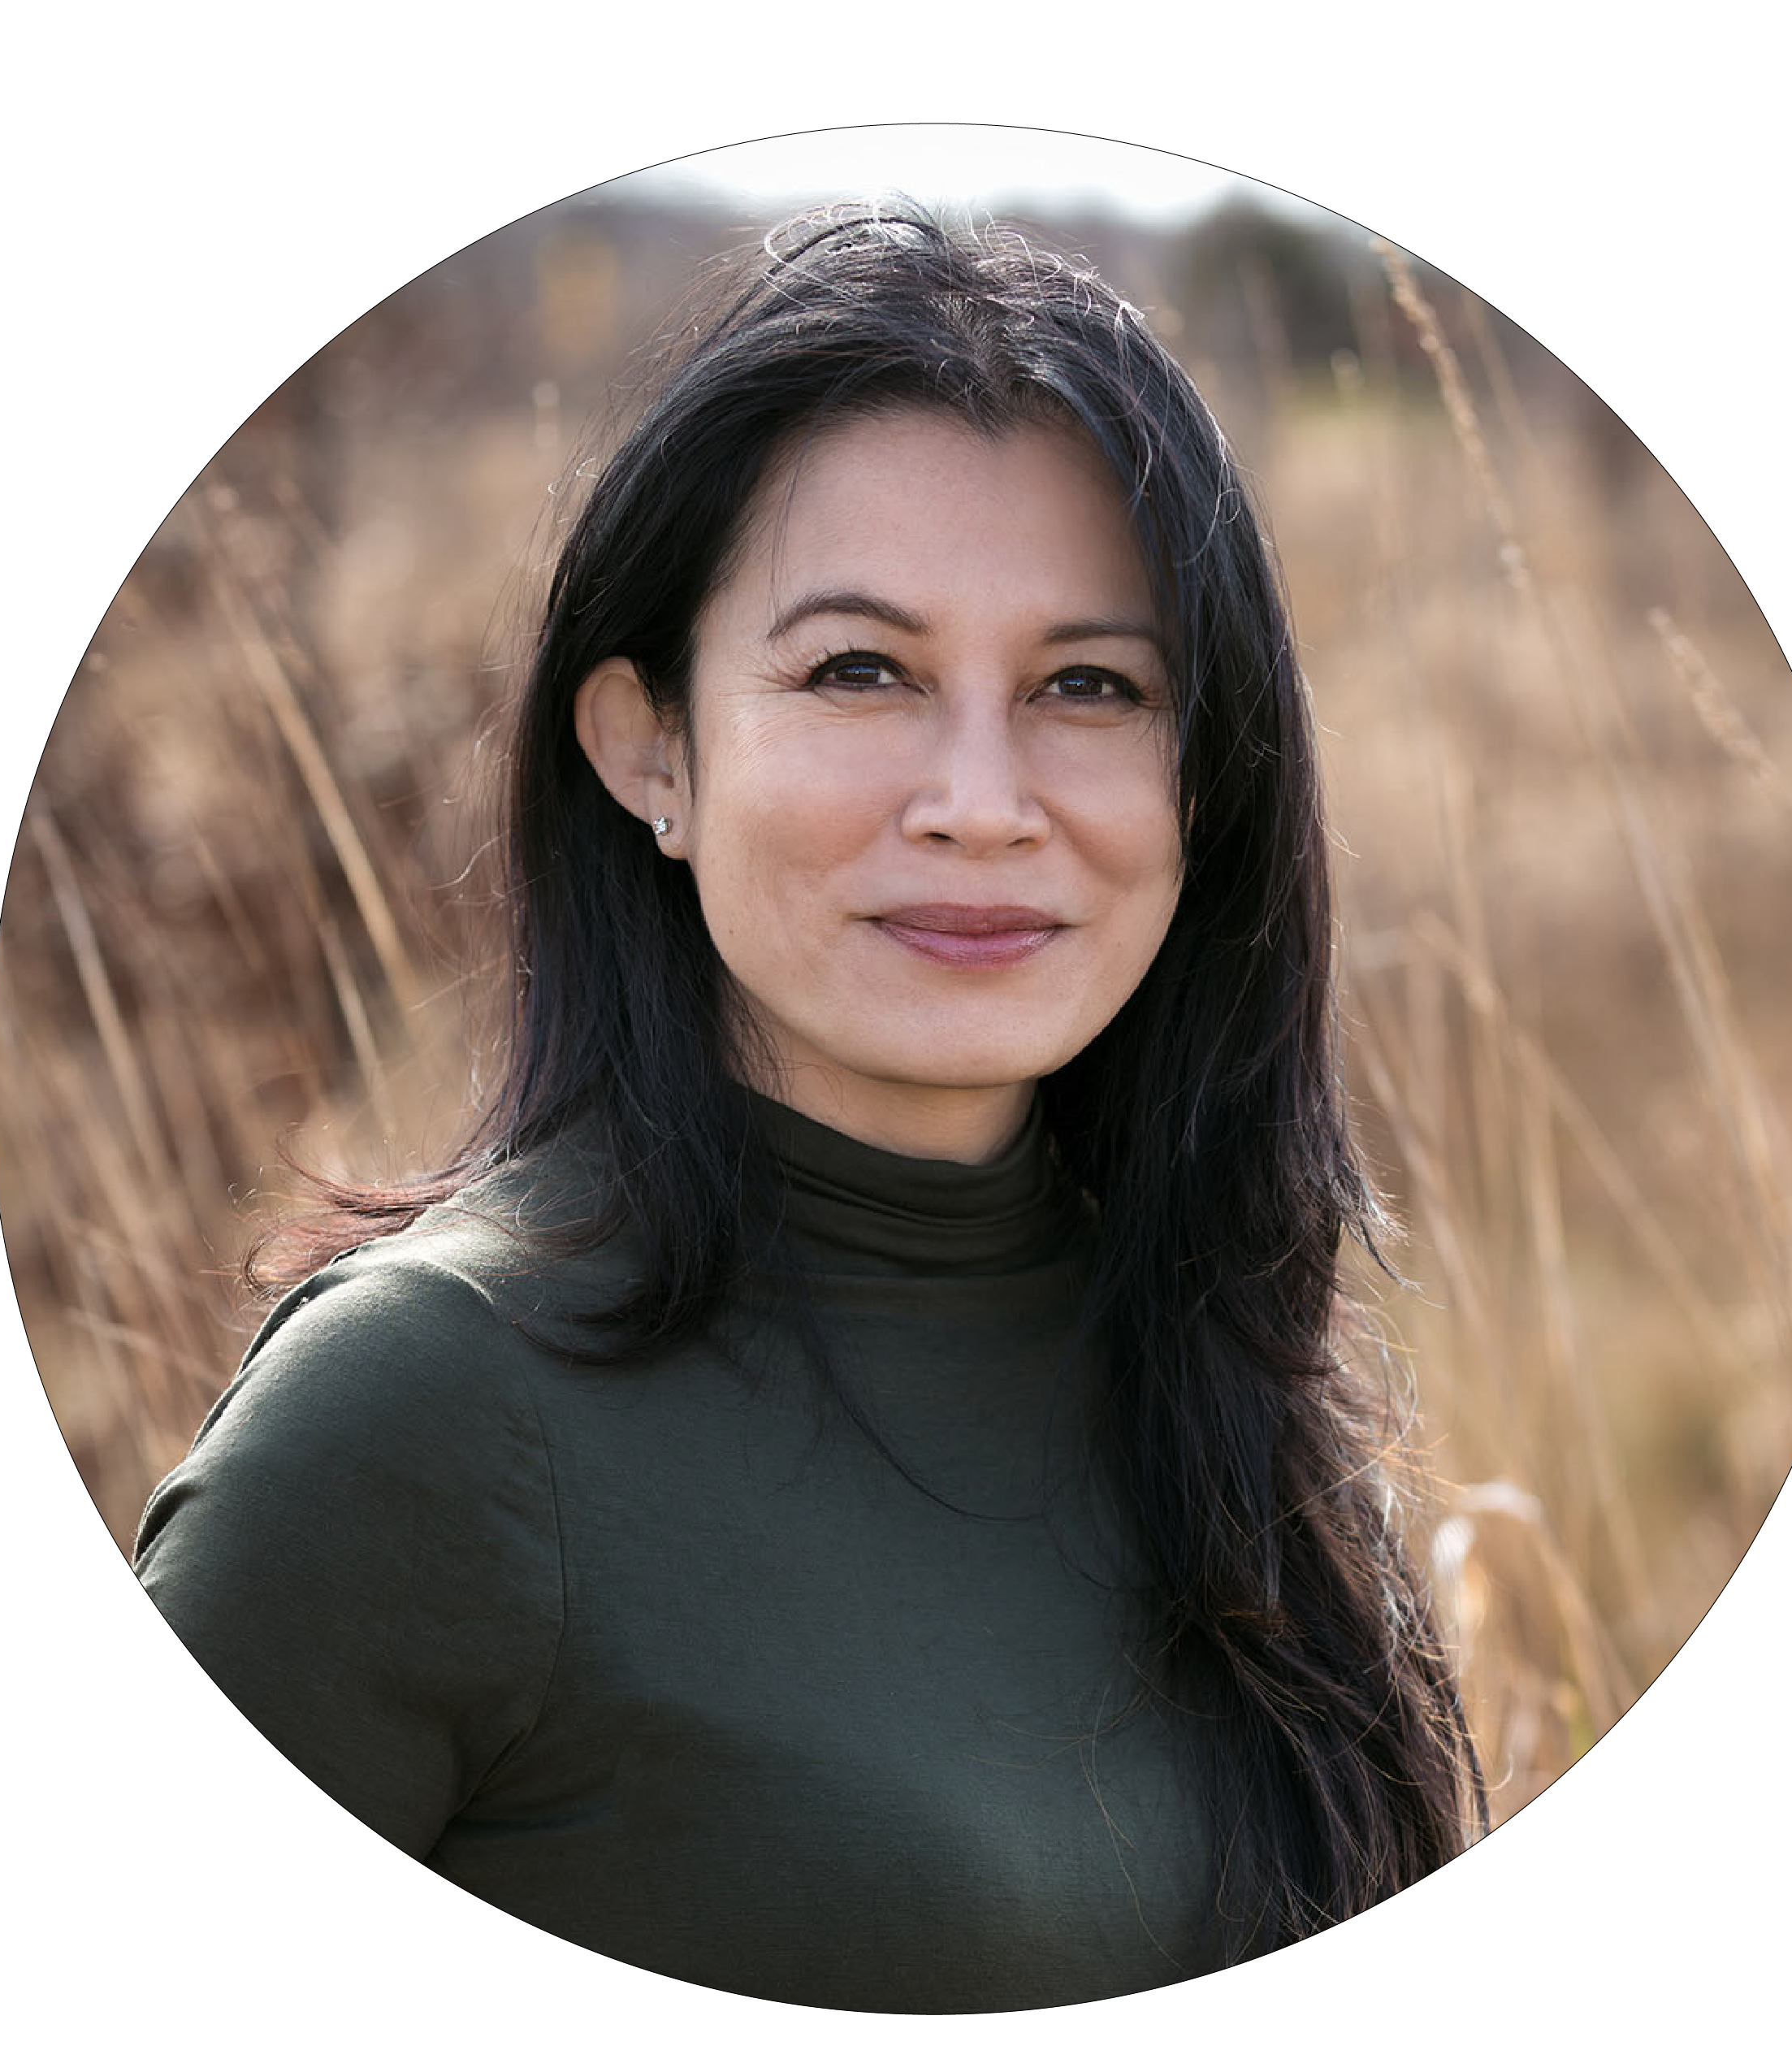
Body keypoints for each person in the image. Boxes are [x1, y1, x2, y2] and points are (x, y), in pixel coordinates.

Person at [133, 201, 1486, 2012]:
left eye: (1090, 685)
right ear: (651, 751)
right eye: (863, 671)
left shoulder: (1210, 1363)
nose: (983, 801)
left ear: (1205, 776)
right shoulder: (418, 1424)